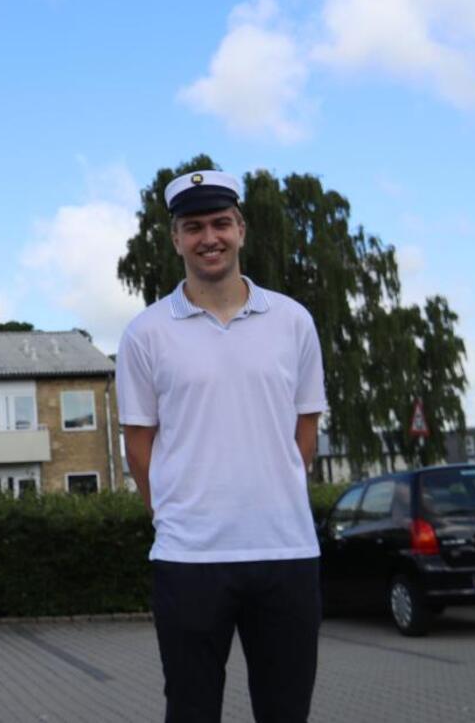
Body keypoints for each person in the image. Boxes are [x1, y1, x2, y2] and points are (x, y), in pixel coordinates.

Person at [116, 171, 327, 723]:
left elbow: (305, 429)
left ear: (241, 230)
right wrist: (170, 515)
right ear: (175, 239)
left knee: (286, 712)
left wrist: (275, 491)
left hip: (286, 551)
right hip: (189, 557)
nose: (209, 238)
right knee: (190, 710)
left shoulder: (293, 321)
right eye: (193, 227)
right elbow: (138, 444)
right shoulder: (145, 333)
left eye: (220, 223)